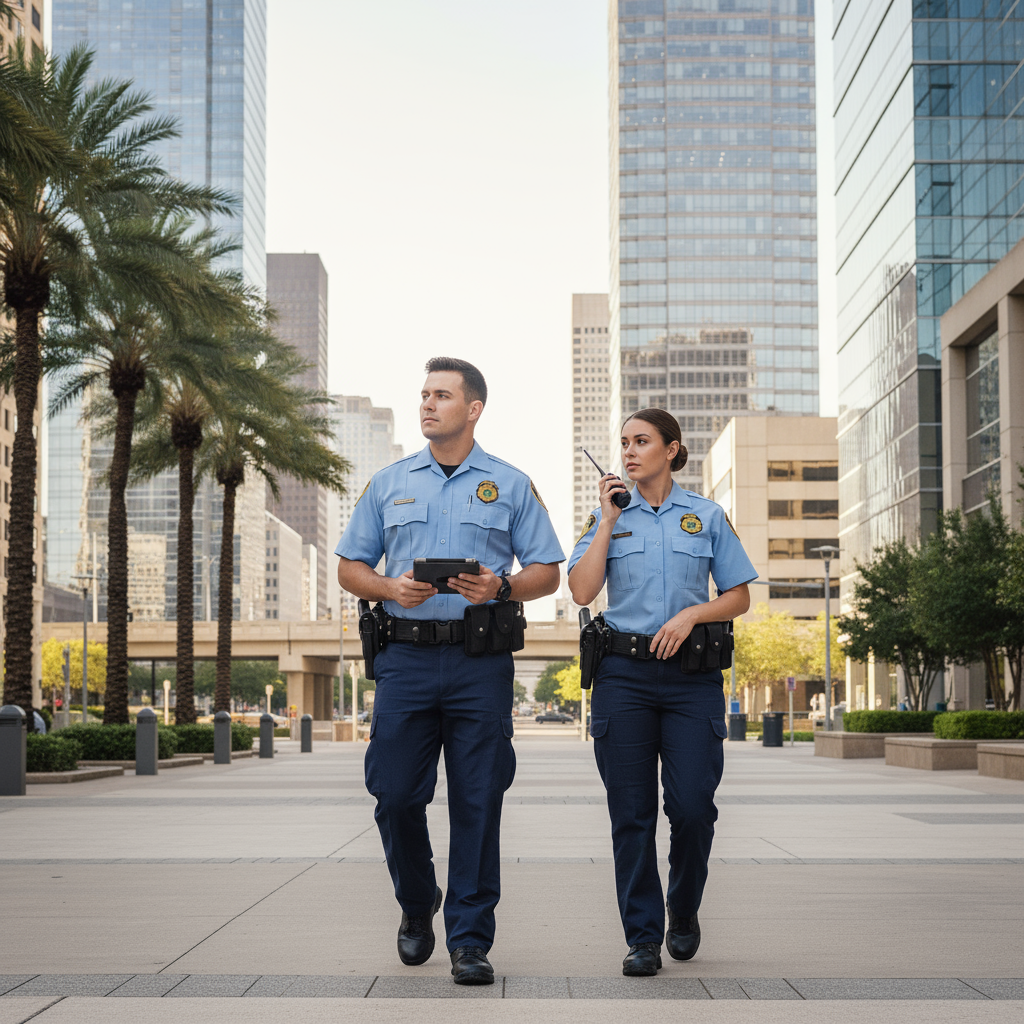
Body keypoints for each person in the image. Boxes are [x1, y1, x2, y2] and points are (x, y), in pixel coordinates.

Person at [336, 357, 563, 986]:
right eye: (424, 395)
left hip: (479, 661)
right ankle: (417, 903)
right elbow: (349, 566)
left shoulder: (511, 484)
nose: (428, 404)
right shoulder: (388, 482)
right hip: (404, 657)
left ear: (474, 408)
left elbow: (549, 570)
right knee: (394, 795)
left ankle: (469, 940)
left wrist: (502, 586)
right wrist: (387, 586)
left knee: (477, 801)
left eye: (442, 395)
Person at [568, 408, 755, 977]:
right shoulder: (608, 517)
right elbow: (580, 589)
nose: (628, 451)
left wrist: (694, 613)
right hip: (622, 676)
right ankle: (642, 936)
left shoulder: (706, 516)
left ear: (671, 450)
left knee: (694, 807)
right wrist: (605, 521)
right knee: (632, 814)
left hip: (691, 678)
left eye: (641, 441)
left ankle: (685, 907)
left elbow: (740, 594)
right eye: (623, 442)